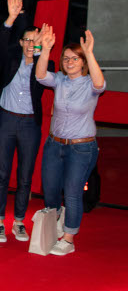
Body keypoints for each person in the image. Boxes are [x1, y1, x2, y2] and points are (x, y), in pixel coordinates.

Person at [34, 25, 104, 255]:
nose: (69, 61)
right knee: (51, 189)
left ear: (83, 62)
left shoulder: (90, 85)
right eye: (66, 58)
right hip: (54, 144)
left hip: (81, 148)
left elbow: (100, 84)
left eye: (75, 58)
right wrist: (45, 50)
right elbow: (41, 75)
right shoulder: (60, 81)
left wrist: (90, 53)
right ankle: (56, 218)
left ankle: (69, 237)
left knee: (73, 191)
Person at [0, 0, 43, 243]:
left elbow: (45, 75)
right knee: (1, 173)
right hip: (6, 120)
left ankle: (19, 221)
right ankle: (0, 221)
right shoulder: (10, 59)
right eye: (27, 40)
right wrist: (11, 19)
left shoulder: (45, 65)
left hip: (30, 125)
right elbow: (0, 45)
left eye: (36, 40)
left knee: (24, 176)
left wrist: (40, 56)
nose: (31, 44)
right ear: (21, 42)